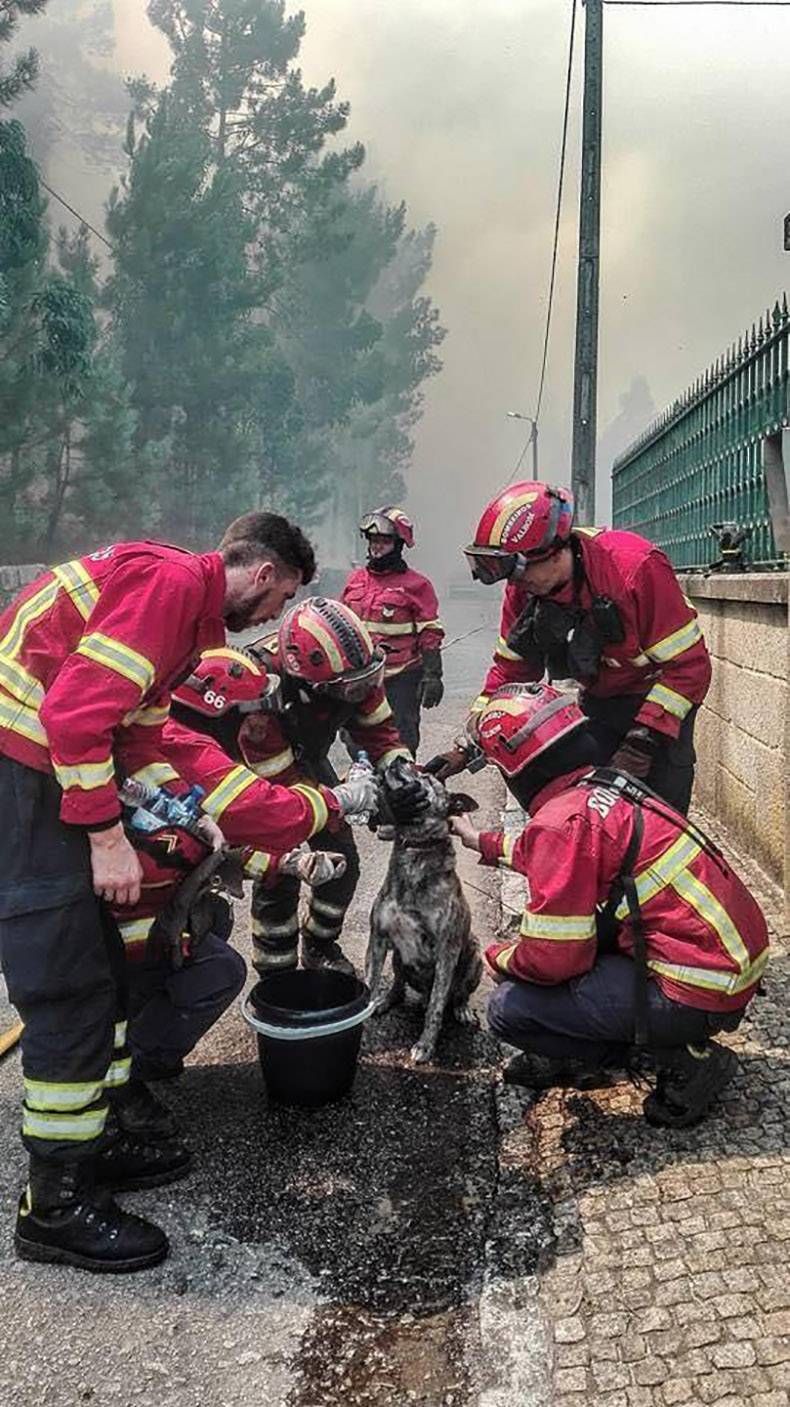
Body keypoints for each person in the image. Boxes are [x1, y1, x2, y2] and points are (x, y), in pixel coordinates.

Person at [0, 511, 327, 1274]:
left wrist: (195, 813)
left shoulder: (182, 616)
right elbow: (75, 716)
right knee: (71, 990)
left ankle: (101, 1138)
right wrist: (108, 837)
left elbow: (139, 738)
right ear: (264, 575)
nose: (273, 619)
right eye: (279, 602)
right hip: (20, 779)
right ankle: (54, 1204)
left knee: (108, 973)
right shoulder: (176, 585)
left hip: (38, 773)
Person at [450, 682, 769, 1128]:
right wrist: (479, 840)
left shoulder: (562, 821)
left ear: (516, 769)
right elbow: (561, 851)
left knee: (510, 1007)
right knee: (583, 939)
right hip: (724, 962)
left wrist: (498, 956)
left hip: (698, 984)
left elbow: (552, 960)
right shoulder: (600, 786)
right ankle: (648, 1038)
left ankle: (678, 1061)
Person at [109, 642, 371, 1147]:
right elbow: (254, 814)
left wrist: (290, 861)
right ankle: (124, 1076)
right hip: (117, 931)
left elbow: (216, 842)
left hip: (134, 918)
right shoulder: (180, 752)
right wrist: (337, 799)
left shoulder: (164, 749)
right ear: (217, 708)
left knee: (215, 930)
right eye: (248, 715)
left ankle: (128, 1041)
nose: (255, 728)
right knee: (209, 967)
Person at [426, 481, 711, 814]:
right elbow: (510, 673)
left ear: (555, 551)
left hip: (658, 710)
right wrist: (468, 745)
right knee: (585, 815)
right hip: (599, 705)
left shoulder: (633, 568)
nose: (513, 583)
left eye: (517, 569)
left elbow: (690, 668)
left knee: (657, 822)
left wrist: (642, 741)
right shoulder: (525, 590)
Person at [245, 596, 423, 975]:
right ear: (307, 679)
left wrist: (400, 772)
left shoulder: (354, 667)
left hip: (305, 756)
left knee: (343, 861)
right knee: (279, 871)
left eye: (365, 682)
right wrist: (342, 800)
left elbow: (381, 732)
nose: (360, 692)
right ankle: (275, 971)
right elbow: (282, 796)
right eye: (351, 688)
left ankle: (320, 947)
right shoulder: (259, 691)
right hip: (258, 773)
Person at [340, 506, 444, 756]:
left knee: (400, 740)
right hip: (360, 678)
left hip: (400, 679)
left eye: (384, 541)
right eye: (373, 540)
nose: (376, 546)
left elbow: (430, 633)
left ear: (399, 544)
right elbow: (338, 623)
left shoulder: (417, 585)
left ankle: (402, 788)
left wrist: (433, 675)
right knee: (355, 740)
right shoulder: (355, 581)